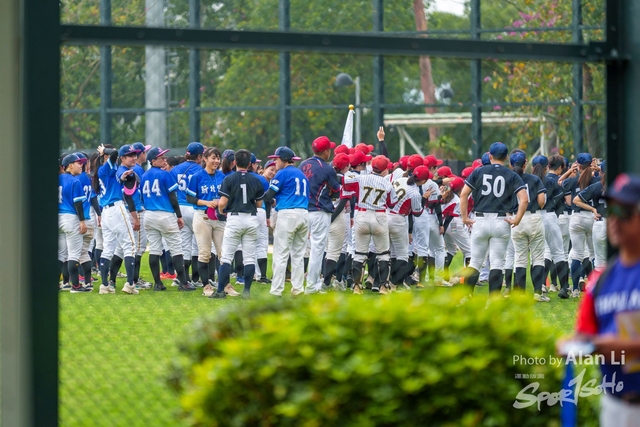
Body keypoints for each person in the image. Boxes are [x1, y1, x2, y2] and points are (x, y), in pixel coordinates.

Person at [562, 173, 640, 427]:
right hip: (615, 405)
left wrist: (608, 345)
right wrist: (572, 344)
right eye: (612, 210)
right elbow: (585, 333)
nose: (615, 220)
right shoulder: (600, 279)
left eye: (626, 211)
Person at [459, 142, 528, 297]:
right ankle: (493, 301)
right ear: (506, 157)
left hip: (480, 220)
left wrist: (464, 217)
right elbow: (524, 200)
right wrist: (517, 219)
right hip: (501, 220)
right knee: (497, 263)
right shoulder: (512, 174)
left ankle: (465, 297)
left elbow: (463, 194)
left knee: (475, 262)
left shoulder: (479, 171)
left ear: (490, 155)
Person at [210, 149, 265, 299]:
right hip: (251, 218)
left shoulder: (229, 179)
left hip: (235, 218)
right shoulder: (256, 179)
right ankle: (246, 291)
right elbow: (259, 204)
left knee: (227, 257)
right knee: (249, 257)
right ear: (249, 164)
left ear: (234, 162)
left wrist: (221, 210)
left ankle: (220, 291)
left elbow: (223, 202)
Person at [140, 147, 194, 292]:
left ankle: (158, 283)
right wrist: (179, 215)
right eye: (161, 158)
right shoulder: (165, 174)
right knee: (176, 249)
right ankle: (183, 283)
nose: (164, 159)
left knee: (155, 250)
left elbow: (141, 198)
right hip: (165, 214)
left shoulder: (144, 175)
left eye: (164, 157)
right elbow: (173, 198)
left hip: (149, 214)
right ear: (153, 161)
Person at [343, 155, 398, 295]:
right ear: (385, 169)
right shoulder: (388, 184)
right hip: (379, 216)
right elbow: (392, 203)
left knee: (360, 254)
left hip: (362, 215)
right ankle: (384, 287)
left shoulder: (361, 178)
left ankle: (357, 287)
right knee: (384, 254)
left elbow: (345, 183)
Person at [186, 147, 236, 296]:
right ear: (205, 159)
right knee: (205, 253)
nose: (216, 161)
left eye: (218, 158)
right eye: (213, 157)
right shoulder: (197, 176)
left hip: (220, 217)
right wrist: (206, 202)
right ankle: (206, 286)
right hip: (203, 217)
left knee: (224, 253)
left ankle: (226, 285)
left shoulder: (223, 176)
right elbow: (190, 198)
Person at [93, 144, 140, 295]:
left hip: (106, 212)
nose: (134, 157)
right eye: (130, 155)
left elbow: (117, 176)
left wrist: (122, 177)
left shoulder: (105, 171)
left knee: (108, 249)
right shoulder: (105, 168)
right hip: (116, 209)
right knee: (130, 246)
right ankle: (130, 284)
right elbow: (114, 153)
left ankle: (105, 286)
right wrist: (104, 152)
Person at [264, 147, 309, 297]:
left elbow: (268, 195)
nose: (274, 162)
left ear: (284, 159)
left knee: (281, 254)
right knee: (298, 254)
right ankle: (298, 289)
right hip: (303, 213)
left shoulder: (282, 173)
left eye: (276, 159)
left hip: (288, 214)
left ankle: (276, 290)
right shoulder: (301, 174)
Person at [299, 136, 341, 294]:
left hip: (302, 211)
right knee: (317, 250)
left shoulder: (303, 164)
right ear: (326, 152)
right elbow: (337, 190)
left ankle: (298, 285)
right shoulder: (326, 168)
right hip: (319, 211)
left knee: (300, 249)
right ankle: (311, 286)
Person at [508, 150, 549, 302]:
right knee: (538, 257)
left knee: (520, 258)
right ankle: (538, 293)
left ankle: (520, 294)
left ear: (511, 163)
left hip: (515, 218)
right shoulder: (534, 178)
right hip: (533, 217)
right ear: (526, 163)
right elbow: (541, 202)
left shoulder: (508, 179)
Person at [532, 155, 571, 299]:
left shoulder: (529, 180)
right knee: (558, 252)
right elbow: (564, 200)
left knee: (536, 255)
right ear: (546, 166)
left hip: (533, 217)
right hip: (549, 216)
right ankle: (564, 288)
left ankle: (539, 288)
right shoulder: (549, 181)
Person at [563, 153, 599, 297]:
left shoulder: (573, 180)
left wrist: (570, 171)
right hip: (593, 217)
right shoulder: (596, 179)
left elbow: (560, 183)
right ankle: (595, 287)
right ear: (591, 164)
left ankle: (575, 289)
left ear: (578, 164)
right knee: (594, 254)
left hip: (576, 217)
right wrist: (597, 169)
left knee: (577, 254)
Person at [388, 165, 429, 290]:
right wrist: (424, 198)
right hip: (398, 219)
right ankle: (397, 284)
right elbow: (417, 212)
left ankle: (385, 283)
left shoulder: (399, 180)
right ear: (423, 181)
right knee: (402, 254)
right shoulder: (415, 193)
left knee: (388, 253)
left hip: (384, 215)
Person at [171, 142, 205, 286]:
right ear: (199, 156)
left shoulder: (175, 169)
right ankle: (197, 279)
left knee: (184, 245)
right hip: (194, 207)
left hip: (179, 209)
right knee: (198, 245)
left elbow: (170, 190)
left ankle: (182, 278)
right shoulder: (201, 170)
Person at [58, 153, 90, 293]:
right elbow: (78, 204)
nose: (81, 165)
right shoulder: (75, 181)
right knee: (74, 254)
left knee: (60, 254)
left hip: (57, 218)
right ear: (70, 165)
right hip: (70, 218)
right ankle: (76, 286)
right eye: (78, 163)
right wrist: (82, 221)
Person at [573, 161, 607, 270]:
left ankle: (600, 286)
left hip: (600, 223)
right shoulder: (620, 185)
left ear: (601, 172)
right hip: (617, 224)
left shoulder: (597, 186)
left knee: (599, 263)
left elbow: (576, 200)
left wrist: (593, 209)